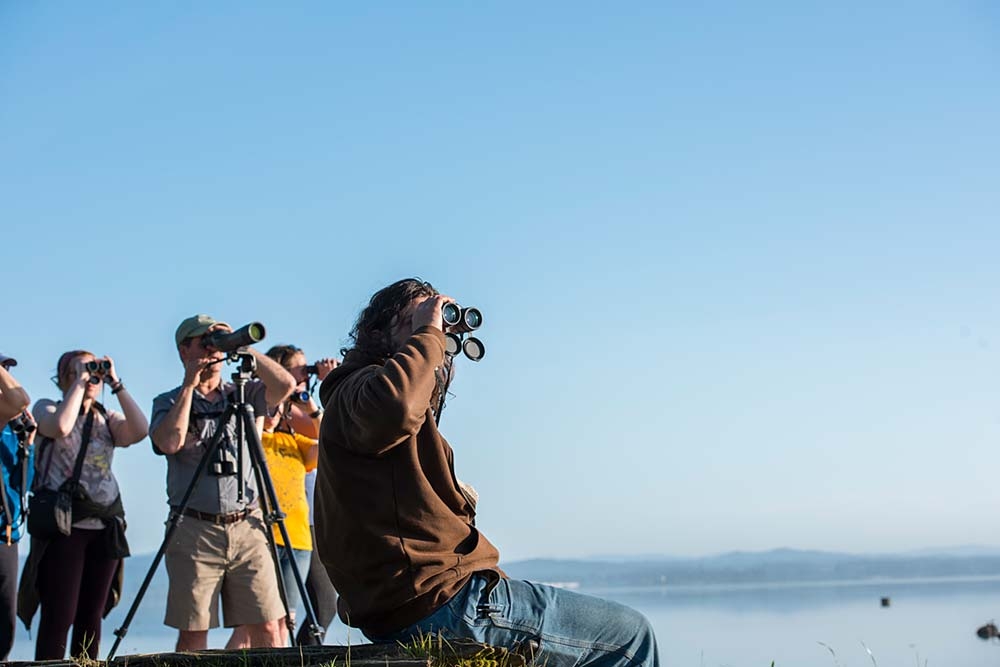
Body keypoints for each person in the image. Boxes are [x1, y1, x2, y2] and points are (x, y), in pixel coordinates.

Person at [315, 279, 659, 667]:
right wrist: (427, 331)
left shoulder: (361, 406)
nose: (432, 335)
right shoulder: (358, 392)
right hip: (442, 603)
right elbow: (396, 406)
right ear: (376, 333)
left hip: (424, 600)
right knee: (632, 637)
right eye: (413, 320)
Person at [150, 315, 296, 651]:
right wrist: (190, 382)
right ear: (183, 349)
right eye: (204, 341)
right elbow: (169, 442)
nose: (212, 348)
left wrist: (243, 348)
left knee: (269, 628)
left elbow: (285, 387)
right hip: (194, 529)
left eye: (215, 340)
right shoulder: (168, 402)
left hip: (248, 524)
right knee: (193, 632)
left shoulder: (243, 394)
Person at [19, 350, 148, 660]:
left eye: (96, 372)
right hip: (64, 525)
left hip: (104, 524)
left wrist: (115, 383)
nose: (93, 378)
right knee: (59, 613)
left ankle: (87, 665)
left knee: (92, 613)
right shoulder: (46, 408)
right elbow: (60, 427)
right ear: (64, 376)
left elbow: (140, 430)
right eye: (84, 370)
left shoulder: (107, 418)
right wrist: (79, 380)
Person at [264, 344, 338, 646]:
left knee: (323, 604)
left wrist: (322, 387)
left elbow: (330, 437)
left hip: (305, 521)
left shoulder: (302, 407)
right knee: (276, 613)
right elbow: (318, 428)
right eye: (300, 369)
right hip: (282, 521)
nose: (306, 375)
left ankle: (303, 655)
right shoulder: (280, 409)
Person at [0, 353, 32, 661]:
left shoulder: (15, 430)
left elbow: (26, 482)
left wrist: (29, 445)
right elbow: (20, 398)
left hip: (6, 531)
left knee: (4, 616)